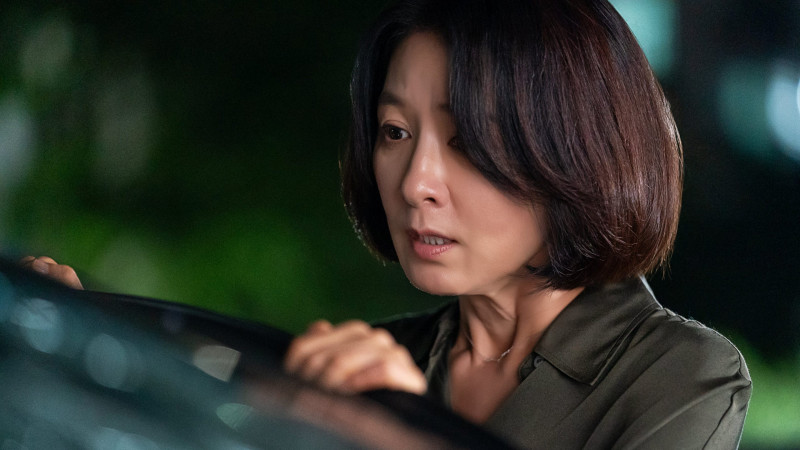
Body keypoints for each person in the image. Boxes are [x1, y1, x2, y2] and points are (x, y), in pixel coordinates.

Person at [26, 0, 751, 447]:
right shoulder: (376, 359)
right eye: (395, 133)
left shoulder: (680, 374)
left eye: (466, 141)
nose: (416, 183)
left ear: (574, 150)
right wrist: (70, 345)